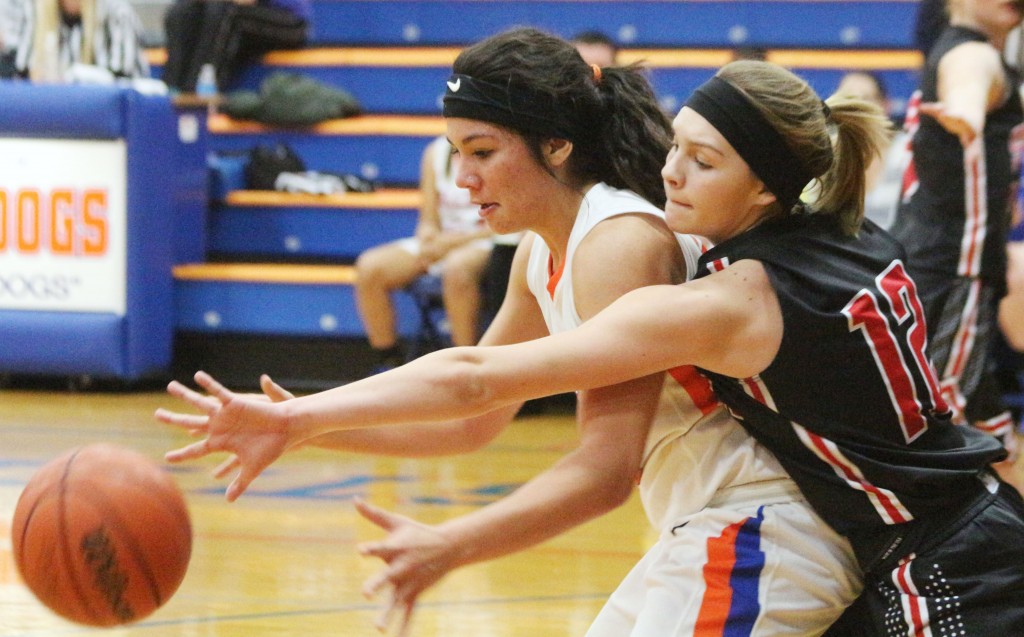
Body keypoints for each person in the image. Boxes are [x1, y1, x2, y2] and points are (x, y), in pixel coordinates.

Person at [158, 57, 1024, 635]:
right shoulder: (821, 239)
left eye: (482, 151)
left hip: (821, 534)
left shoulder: (695, 277)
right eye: (675, 149)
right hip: (885, 525)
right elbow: (476, 417)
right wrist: (299, 426)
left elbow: (491, 388)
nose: (672, 175)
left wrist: (438, 526)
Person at [889, 0, 1023, 469]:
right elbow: (969, 82)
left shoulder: (967, 52)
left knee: (971, 413)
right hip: (949, 267)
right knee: (945, 410)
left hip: (937, 261)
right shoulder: (970, 54)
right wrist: (966, 110)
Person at [354, 135, 494, 371]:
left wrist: (450, 244)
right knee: (370, 267)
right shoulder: (435, 151)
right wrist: (428, 236)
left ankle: (466, 367)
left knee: (457, 268)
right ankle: (388, 361)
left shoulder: (495, 149)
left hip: (485, 239)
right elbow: (428, 217)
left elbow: (508, 226)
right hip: (445, 240)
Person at [160, 0, 309, 94]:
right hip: (246, 17)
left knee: (224, 13)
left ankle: (202, 90)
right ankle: (171, 89)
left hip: (290, 23)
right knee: (182, 11)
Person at [831, 70, 908, 230]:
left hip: (900, 249)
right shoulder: (826, 155)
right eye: (847, 100)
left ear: (886, 105)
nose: (856, 109)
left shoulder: (908, 152)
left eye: (865, 99)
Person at [7, 0, 148, 81]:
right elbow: (21, 74)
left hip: (105, 115)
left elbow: (123, 81)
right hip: (54, 111)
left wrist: (75, 75)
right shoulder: (36, 12)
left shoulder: (117, 13)